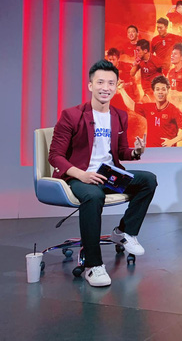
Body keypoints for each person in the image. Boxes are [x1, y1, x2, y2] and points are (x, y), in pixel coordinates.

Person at [48, 60, 157, 288]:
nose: (105, 87)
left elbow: (120, 152)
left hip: (109, 175)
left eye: (110, 83)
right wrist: (81, 175)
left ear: (116, 87)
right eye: (100, 82)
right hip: (80, 176)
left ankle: (124, 232)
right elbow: (55, 156)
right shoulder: (71, 115)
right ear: (90, 85)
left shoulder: (119, 115)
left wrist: (135, 152)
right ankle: (93, 265)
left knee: (148, 180)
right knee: (93, 195)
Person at [119, 75, 182, 148]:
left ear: (167, 91)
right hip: (151, 151)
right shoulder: (149, 108)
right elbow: (132, 105)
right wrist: (121, 90)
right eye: (157, 89)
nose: (160, 92)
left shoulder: (173, 110)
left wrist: (172, 141)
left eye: (163, 89)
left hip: (167, 152)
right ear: (154, 91)